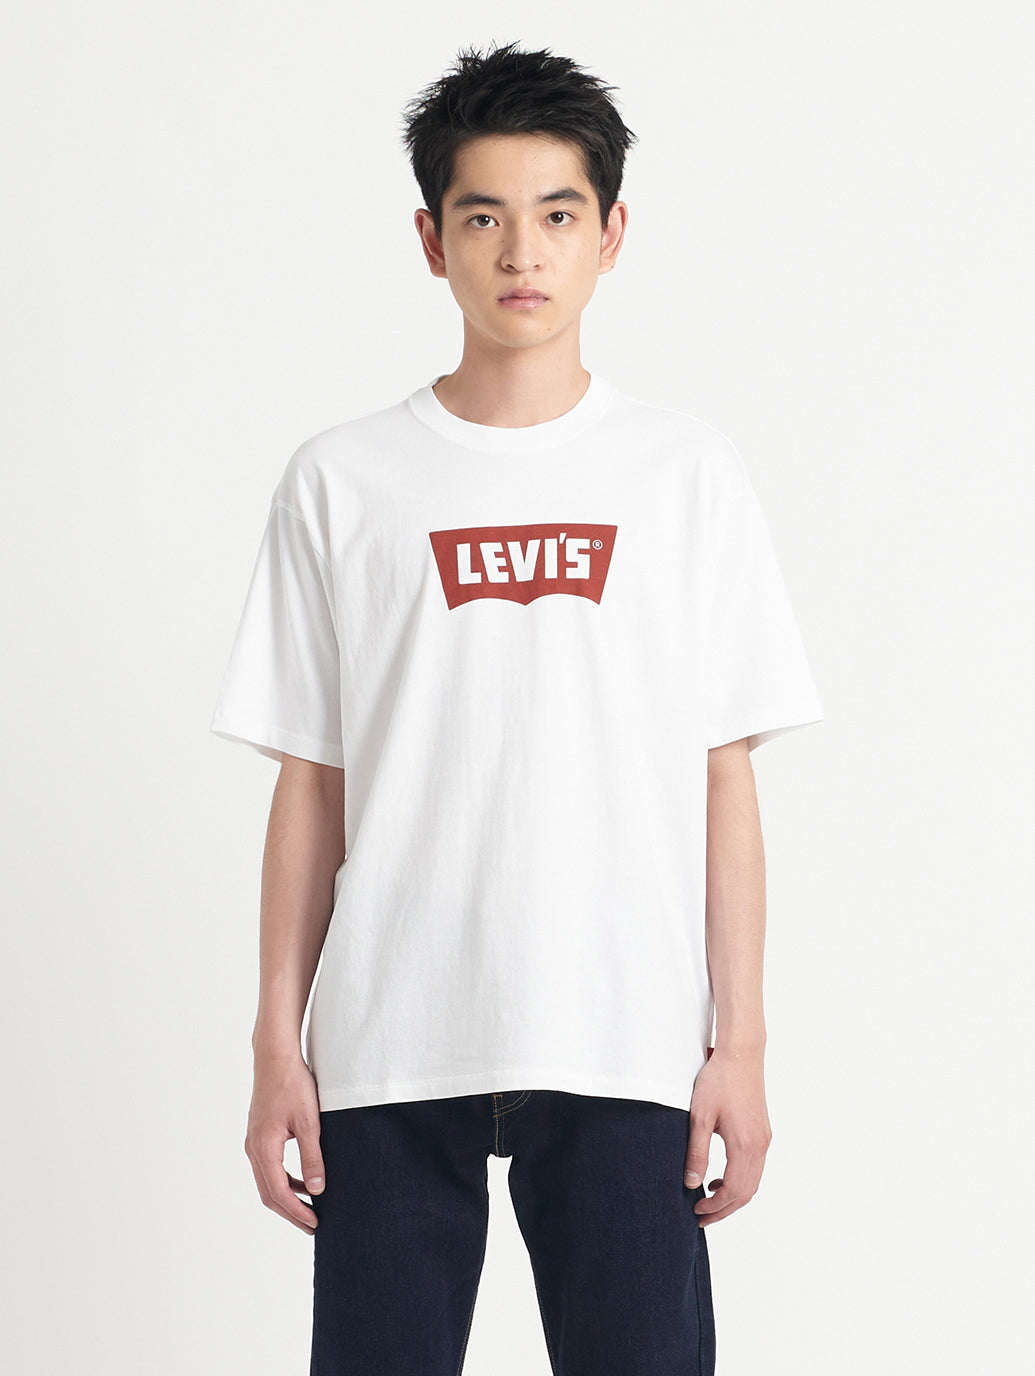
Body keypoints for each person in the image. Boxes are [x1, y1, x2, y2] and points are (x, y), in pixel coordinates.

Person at [210, 40, 824, 1376]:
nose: (522, 253)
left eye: (557, 214)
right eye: (483, 217)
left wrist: (743, 1044)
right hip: (388, 1038)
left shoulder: (686, 475)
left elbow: (724, 774)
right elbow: (312, 780)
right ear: (431, 240)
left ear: (613, 234)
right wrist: (274, 1046)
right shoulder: (343, 480)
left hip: (623, 1034)